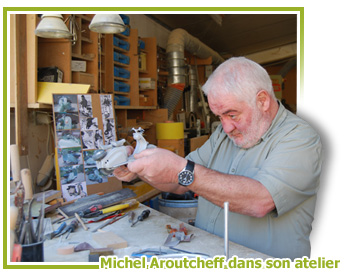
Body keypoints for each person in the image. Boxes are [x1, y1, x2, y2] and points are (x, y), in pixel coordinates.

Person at [113, 57, 322, 259]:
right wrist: (141, 167)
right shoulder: (224, 134)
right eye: (219, 117)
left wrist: (181, 170)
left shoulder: (300, 138)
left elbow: (260, 201)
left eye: (232, 115)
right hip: (210, 256)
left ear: (262, 101)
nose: (226, 127)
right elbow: (180, 184)